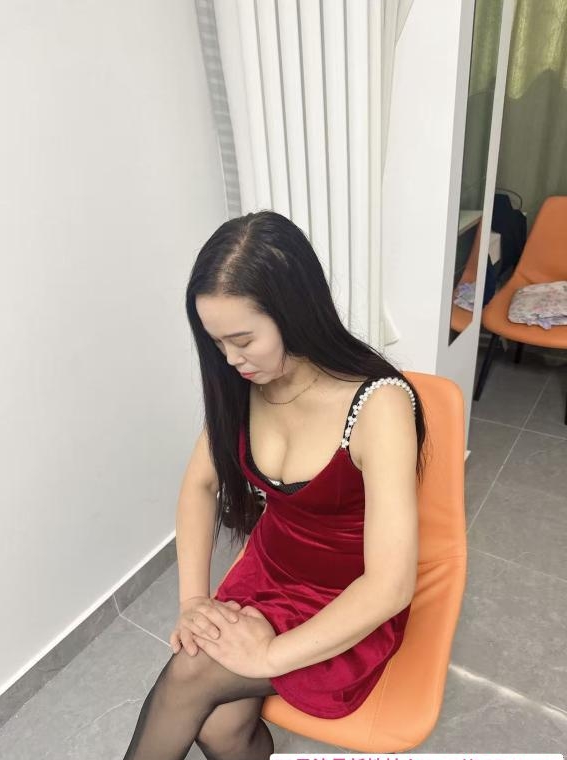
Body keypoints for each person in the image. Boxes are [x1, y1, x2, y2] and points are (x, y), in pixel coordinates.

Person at [122, 210, 428, 760]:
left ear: (294, 312)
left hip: (347, 598)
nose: (230, 359)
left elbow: (390, 585)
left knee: (191, 675)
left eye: (243, 339)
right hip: (267, 576)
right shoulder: (244, 384)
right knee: (220, 728)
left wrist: (268, 657)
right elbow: (198, 487)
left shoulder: (378, 405)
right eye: (216, 342)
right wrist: (193, 600)